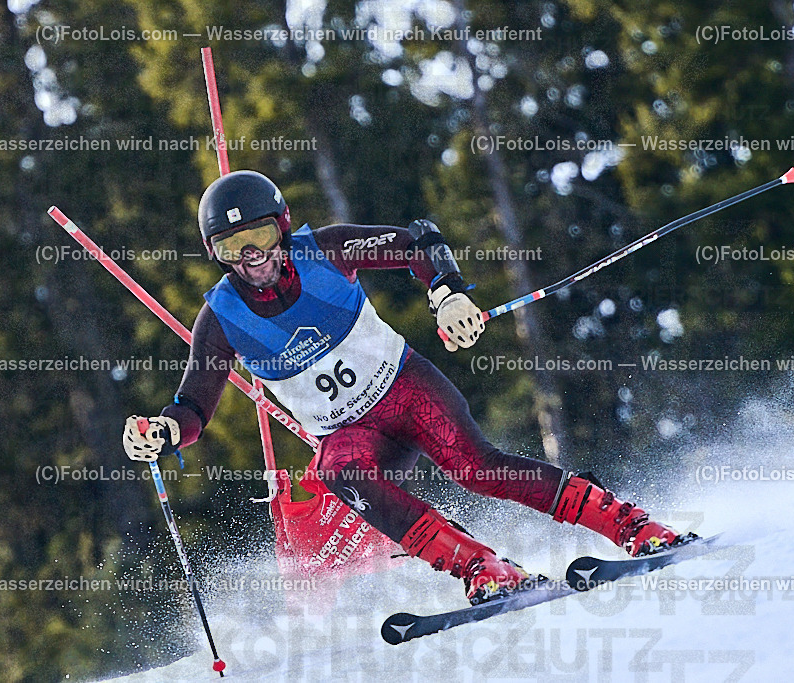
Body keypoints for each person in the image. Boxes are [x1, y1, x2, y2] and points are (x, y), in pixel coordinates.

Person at [123, 170, 690, 605]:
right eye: (231, 246)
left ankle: (631, 525)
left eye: (261, 235)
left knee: (479, 470)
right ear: (214, 253)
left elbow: (417, 240)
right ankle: (483, 569)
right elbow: (195, 405)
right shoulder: (220, 321)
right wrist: (164, 432)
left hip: (406, 391)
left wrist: (446, 294)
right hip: (351, 434)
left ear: (284, 226)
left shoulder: (328, 249)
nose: (252, 256)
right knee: (337, 472)